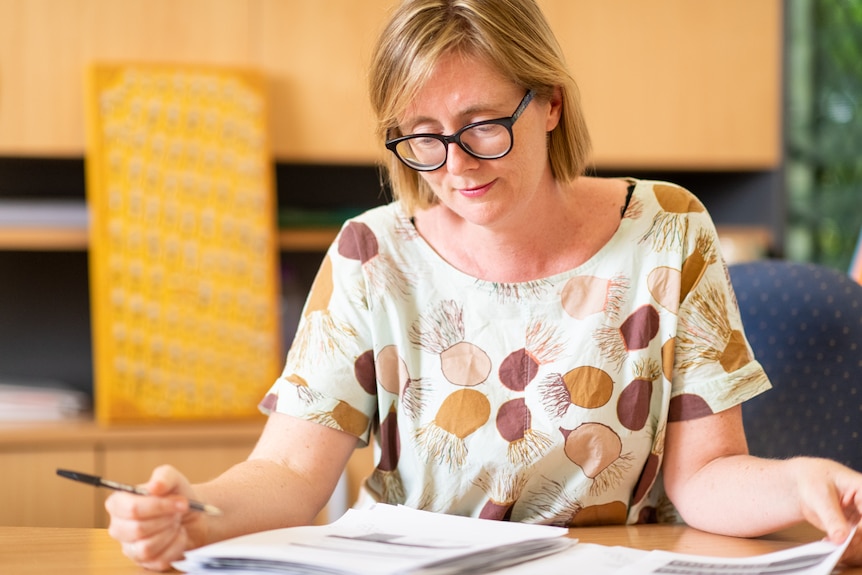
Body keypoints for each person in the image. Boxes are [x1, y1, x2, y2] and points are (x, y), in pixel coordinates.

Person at [105, 0, 862, 571]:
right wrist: (194, 510)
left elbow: (704, 478)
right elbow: (289, 473)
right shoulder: (373, 252)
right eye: (423, 135)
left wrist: (800, 485)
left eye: (482, 124)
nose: (457, 164)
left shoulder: (668, 229)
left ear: (552, 103)